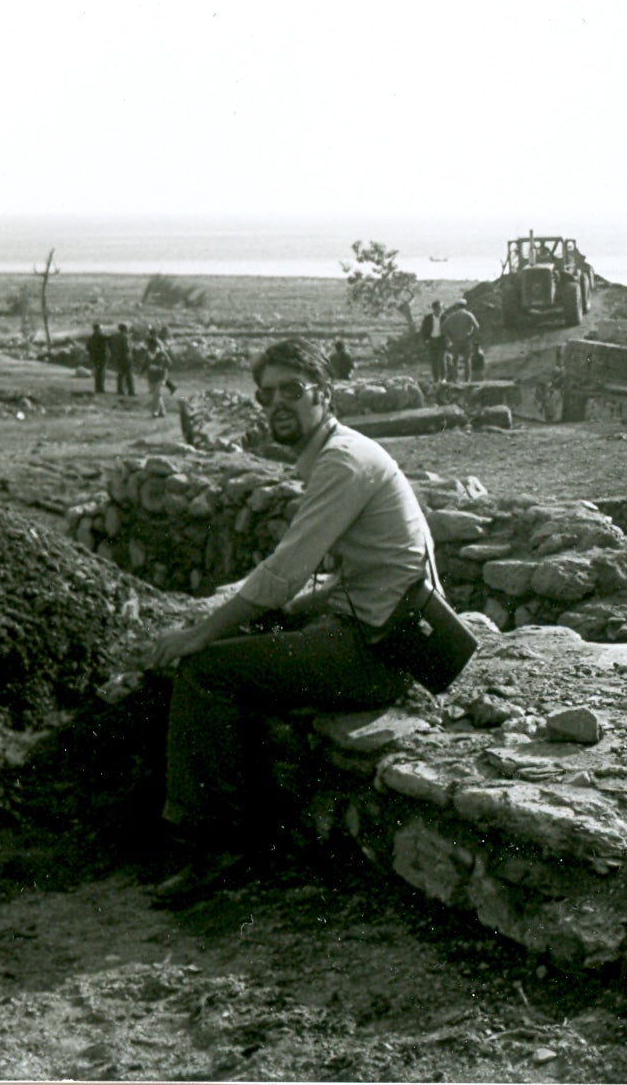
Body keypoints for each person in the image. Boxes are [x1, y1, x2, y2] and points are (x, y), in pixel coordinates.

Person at [141, 338, 440, 907]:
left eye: (292, 391)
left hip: (382, 651)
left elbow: (284, 573)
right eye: (267, 393)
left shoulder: (344, 462)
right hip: (370, 629)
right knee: (248, 644)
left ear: (324, 396)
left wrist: (198, 633)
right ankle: (249, 830)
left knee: (207, 668)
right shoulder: (336, 455)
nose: (276, 403)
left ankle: (217, 848)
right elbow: (348, 572)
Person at [441, 299, 479, 383]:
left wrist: (450, 336)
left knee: (455, 360)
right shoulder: (468, 315)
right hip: (466, 339)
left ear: (457, 306)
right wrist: (470, 336)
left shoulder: (452, 316)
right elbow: (477, 327)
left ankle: (455, 379)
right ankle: (467, 380)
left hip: (455, 340)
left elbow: (443, 328)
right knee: (467, 360)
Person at [144, 333, 171, 417]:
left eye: (156, 347)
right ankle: (162, 411)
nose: (154, 349)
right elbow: (144, 364)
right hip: (151, 377)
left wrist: (160, 368)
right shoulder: (147, 354)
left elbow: (169, 363)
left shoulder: (162, 354)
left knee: (157, 393)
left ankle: (155, 411)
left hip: (161, 376)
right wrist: (149, 367)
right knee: (155, 394)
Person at [108, 323, 136, 396]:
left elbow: (110, 345)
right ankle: (131, 391)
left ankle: (120, 390)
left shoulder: (114, 336)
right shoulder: (125, 337)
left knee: (121, 373)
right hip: (126, 356)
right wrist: (132, 346)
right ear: (125, 329)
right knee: (129, 374)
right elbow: (127, 348)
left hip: (118, 356)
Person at [421, 301, 446, 383]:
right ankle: (436, 379)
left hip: (441, 340)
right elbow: (423, 330)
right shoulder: (428, 319)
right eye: (439, 308)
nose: (440, 310)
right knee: (433, 361)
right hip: (431, 340)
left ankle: (443, 379)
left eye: (441, 308)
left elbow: (448, 330)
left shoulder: (444, 317)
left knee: (442, 360)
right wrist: (426, 340)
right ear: (434, 309)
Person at [85, 323, 109, 394]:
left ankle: (97, 388)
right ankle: (101, 388)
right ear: (98, 329)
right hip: (102, 356)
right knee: (102, 372)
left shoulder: (91, 337)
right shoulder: (101, 336)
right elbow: (109, 338)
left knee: (97, 372)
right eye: (101, 328)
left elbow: (87, 347)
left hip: (94, 357)